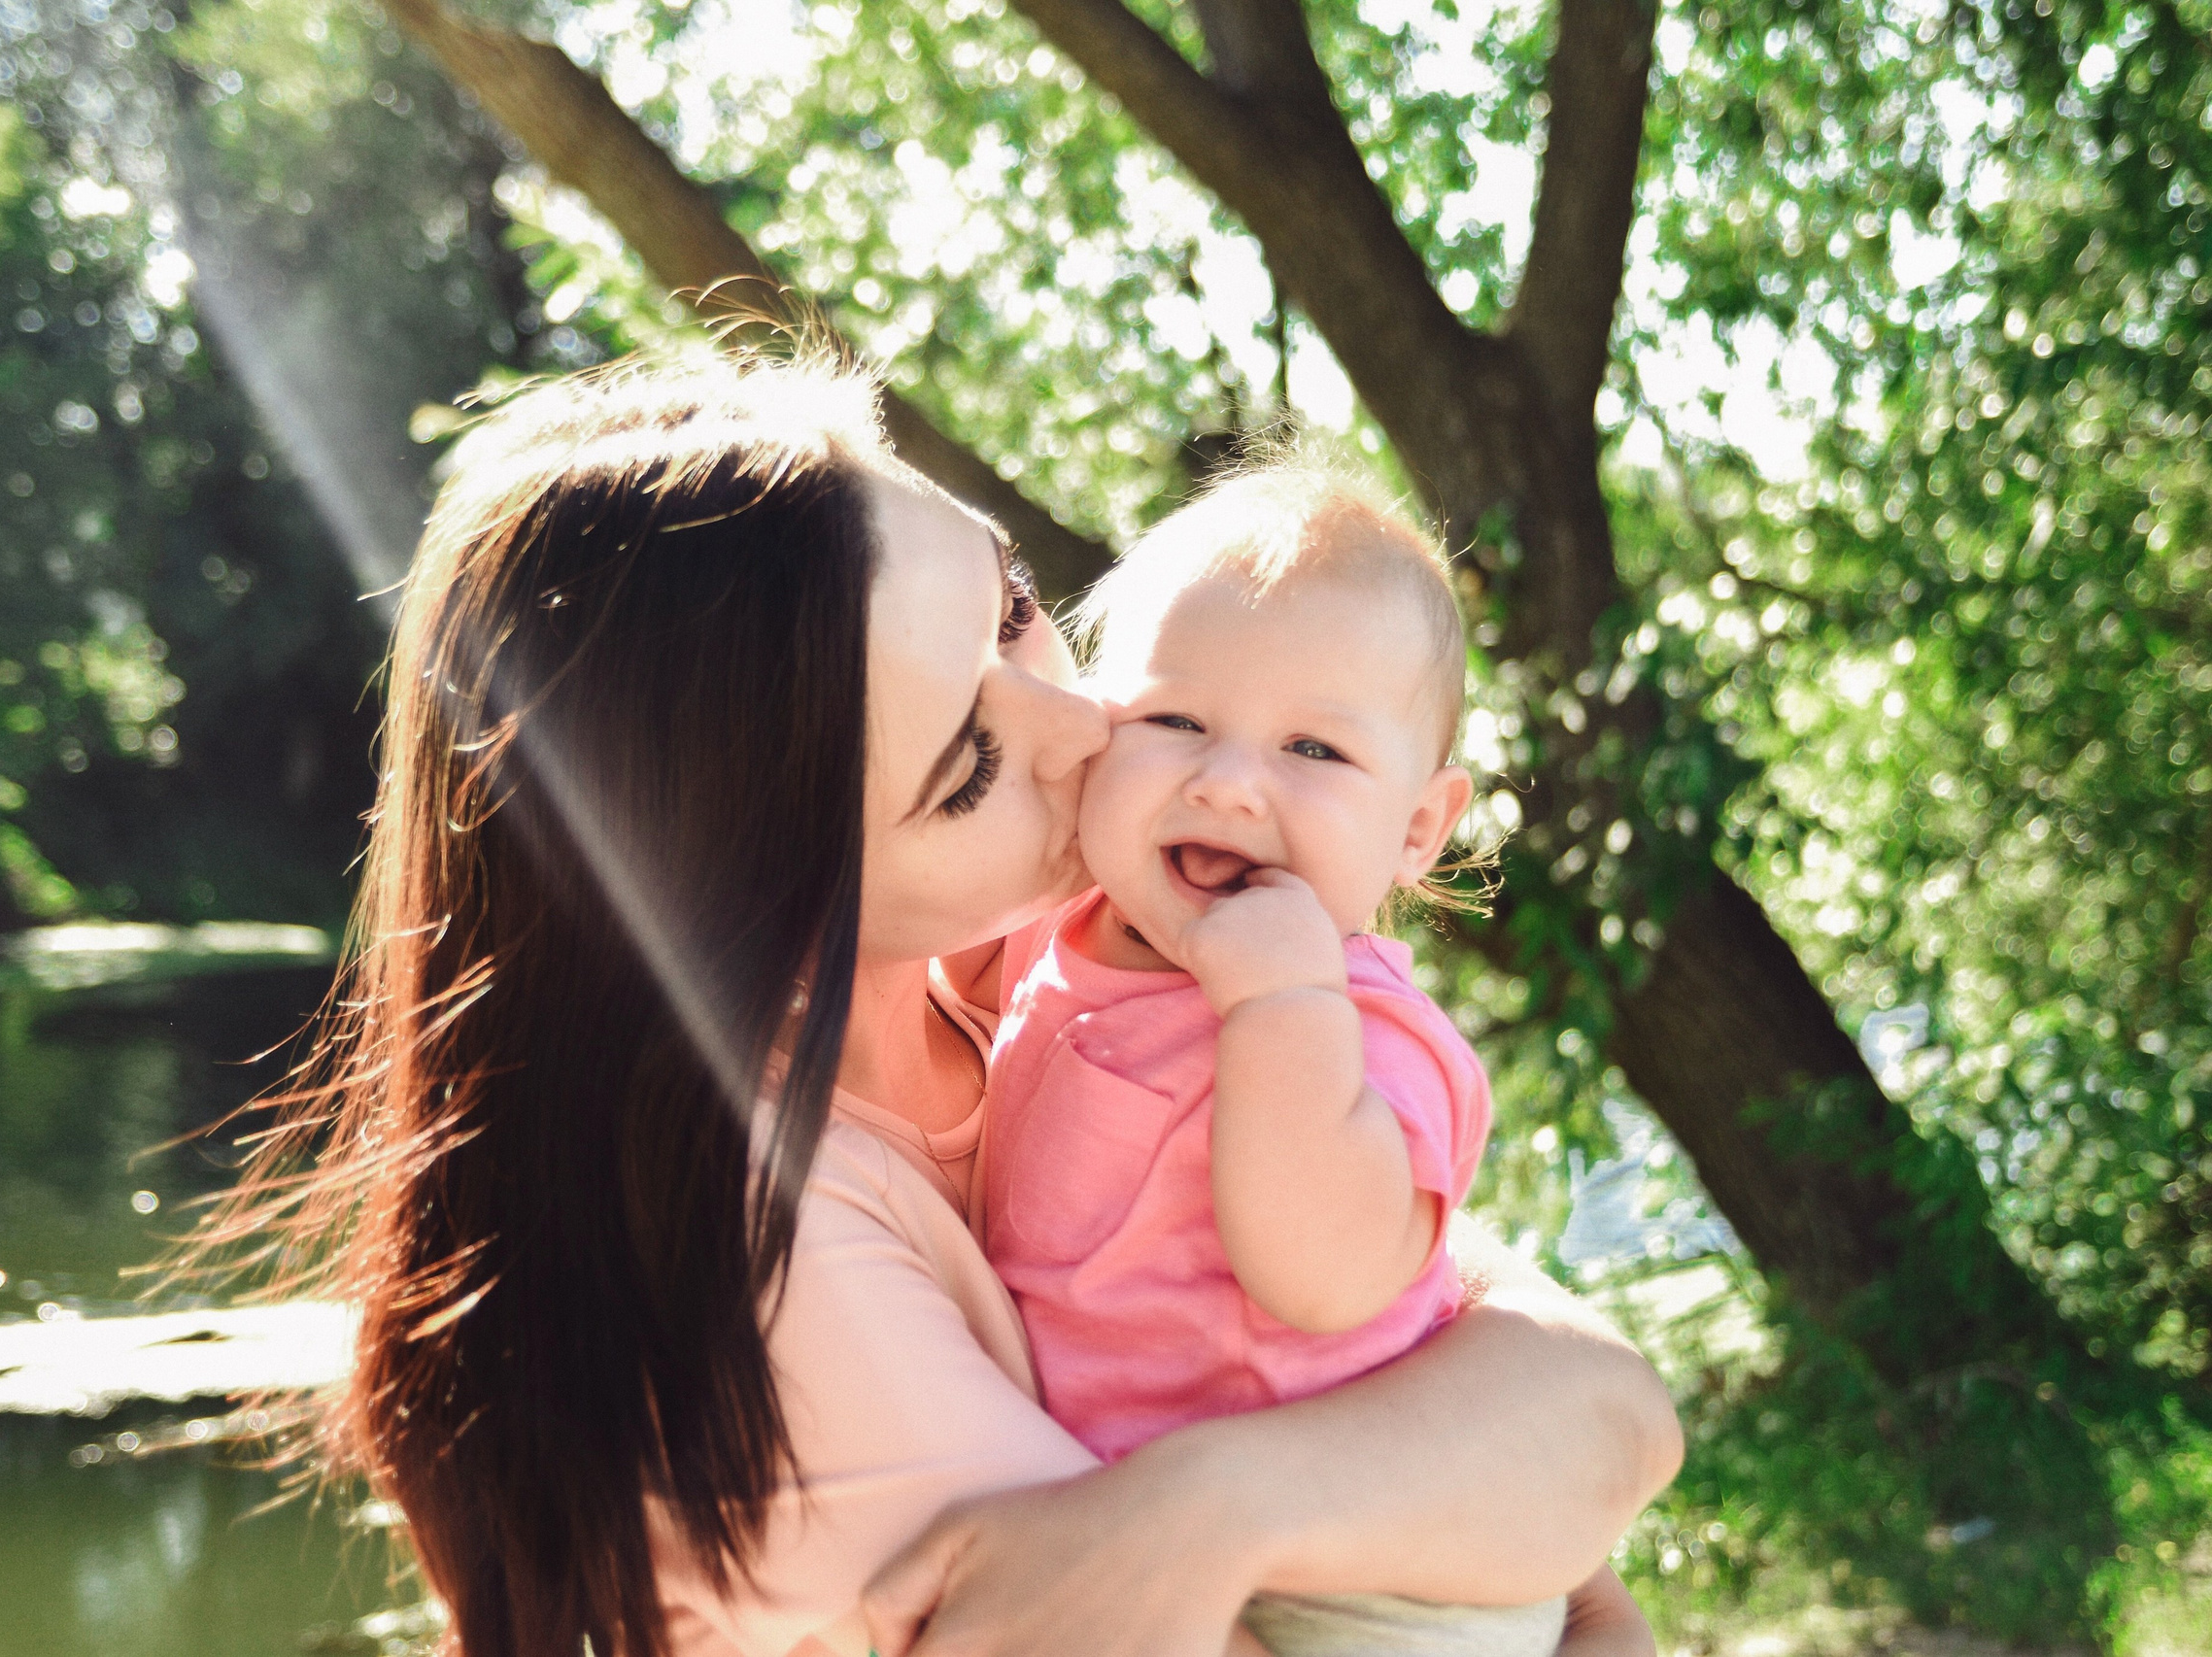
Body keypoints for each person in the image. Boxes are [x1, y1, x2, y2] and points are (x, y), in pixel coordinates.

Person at [192, 354, 1682, 1657]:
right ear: (753, 902)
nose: (1086, 719)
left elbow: (1600, 1409)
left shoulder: (1051, 969)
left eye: (1018, 610)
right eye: (963, 765)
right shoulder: (773, 1262)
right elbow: (1546, 1468)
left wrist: (1221, 1501)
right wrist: (1466, 1505)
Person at [978, 454, 1635, 1655]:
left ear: (1419, 829)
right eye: (1172, 720)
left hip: (1372, 1580)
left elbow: (1322, 1279)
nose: (1229, 783)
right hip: (1158, 1548)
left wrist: (1279, 1002)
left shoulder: (1364, 1025)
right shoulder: (1054, 940)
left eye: (1315, 751)